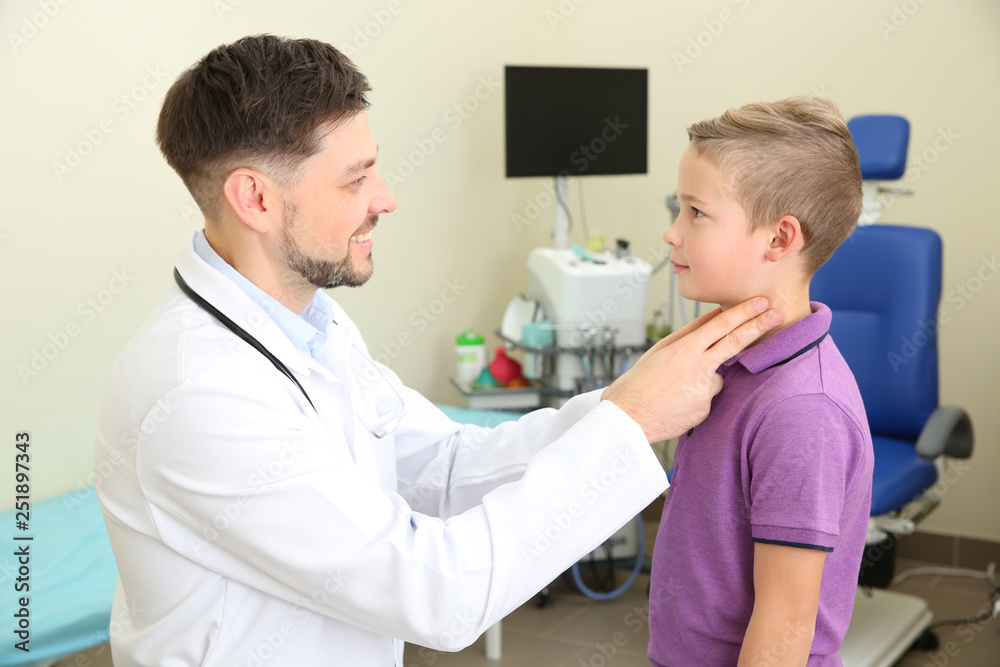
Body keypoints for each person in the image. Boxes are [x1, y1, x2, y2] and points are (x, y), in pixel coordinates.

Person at [94, 35, 782, 666]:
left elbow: (446, 467)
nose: (386, 199)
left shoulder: (310, 323)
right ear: (255, 198)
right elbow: (439, 592)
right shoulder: (199, 392)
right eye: (355, 178)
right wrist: (632, 424)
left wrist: (620, 404)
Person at [646, 97, 875, 666]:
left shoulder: (803, 410)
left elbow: (784, 624)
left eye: (695, 213)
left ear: (778, 239)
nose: (672, 233)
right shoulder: (730, 362)